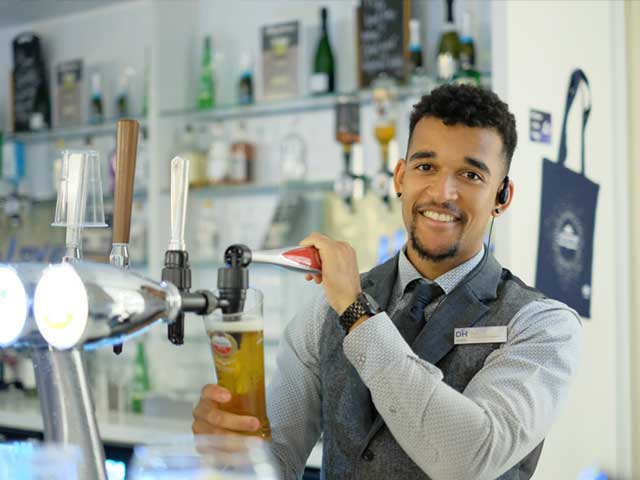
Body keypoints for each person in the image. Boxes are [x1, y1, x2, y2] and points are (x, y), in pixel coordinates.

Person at [192, 84, 583, 480]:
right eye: (425, 167)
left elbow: (469, 459)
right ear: (400, 177)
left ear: (502, 195)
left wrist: (356, 312)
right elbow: (274, 459)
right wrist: (231, 452)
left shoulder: (543, 327)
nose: (442, 193)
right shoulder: (325, 311)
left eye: (470, 174)